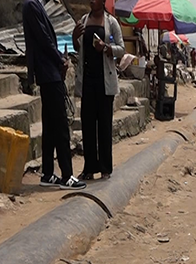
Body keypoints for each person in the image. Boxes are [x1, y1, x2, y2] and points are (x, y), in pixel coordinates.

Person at [22, 0, 85, 190]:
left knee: (50, 126)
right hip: (49, 73)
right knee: (60, 126)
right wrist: (60, 60)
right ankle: (67, 175)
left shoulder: (35, 5)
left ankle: (48, 173)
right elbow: (43, 39)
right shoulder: (31, 5)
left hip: (49, 72)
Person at [72, 0, 125, 181]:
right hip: (88, 80)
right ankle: (89, 168)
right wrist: (74, 38)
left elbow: (121, 49)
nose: (91, 1)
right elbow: (78, 48)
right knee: (87, 125)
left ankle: (105, 168)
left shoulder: (112, 23)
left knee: (104, 125)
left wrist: (106, 48)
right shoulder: (84, 21)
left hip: (105, 82)